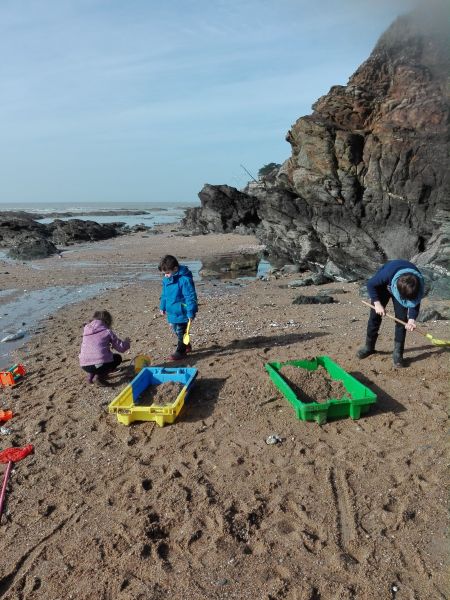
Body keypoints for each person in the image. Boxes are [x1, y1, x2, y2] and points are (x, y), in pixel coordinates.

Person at [356, 259, 424, 367]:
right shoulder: (386, 274)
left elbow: (415, 302)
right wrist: (377, 304)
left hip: (403, 289)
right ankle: (369, 347)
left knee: (402, 321)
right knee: (374, 317)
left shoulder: (417, 285)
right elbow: (370, 284)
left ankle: (398, 354)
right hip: (384, 286)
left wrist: (411, 320)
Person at [159, 255, 198, 361]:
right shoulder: (166, 280)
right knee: (176, 330)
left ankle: (180, 351)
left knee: (181, 332)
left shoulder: (184, 280)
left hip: (183, 311)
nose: (166, 275)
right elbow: (164, 295)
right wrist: (162, 306)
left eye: (167, 273)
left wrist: (191, 311)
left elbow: (190, 296)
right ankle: (187, 345)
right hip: (172, 311)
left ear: (175, 269)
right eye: (164, 273)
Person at [79, 310, 130, 384]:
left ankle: (90, 377)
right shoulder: (107, 331)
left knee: (93, 359)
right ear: (108, 322)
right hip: (101, 365)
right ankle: (100, 376)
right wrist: (127, 342)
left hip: (84, 365)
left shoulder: (86, 331)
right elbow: (121, 348)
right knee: (117, 358)